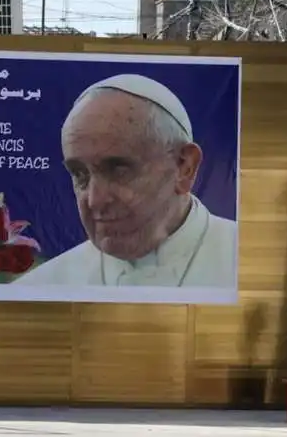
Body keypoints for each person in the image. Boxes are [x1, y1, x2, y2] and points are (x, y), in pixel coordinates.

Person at [13, 73, 237, 288]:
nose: (95, 200)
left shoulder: (252, 266)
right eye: (80, 175)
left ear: (184, 167)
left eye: (118, 170)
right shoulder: (41, 289)